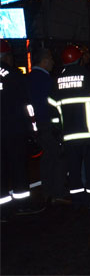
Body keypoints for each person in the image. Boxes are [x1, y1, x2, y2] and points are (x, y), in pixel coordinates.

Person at [48, 45, 90, 210]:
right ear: (79, 59)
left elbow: (52, 109)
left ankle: (77, 200)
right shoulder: (89, 78)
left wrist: (57, 128)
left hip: (69, 136)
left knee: (73, 169)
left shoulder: (56, 82)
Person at [0, 40, 44, 216]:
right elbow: (27, 106)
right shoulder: (15, 75)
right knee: (18, 168)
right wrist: (33, 129)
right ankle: (22, 204)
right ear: (7, 56)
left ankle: (2, 210)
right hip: (14, 131)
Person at [27, 47, 69, 205]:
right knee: (58, 156)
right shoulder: (47, 81)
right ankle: (58, 192)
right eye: (50, 59)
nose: (52, 62)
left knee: (47, 157)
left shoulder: (28, 78)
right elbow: (52, 106)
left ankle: (47, 190)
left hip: (36, 125)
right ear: (44, 61)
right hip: (49, 124)